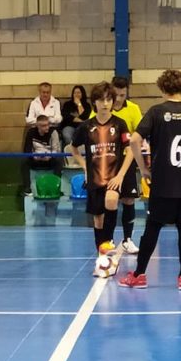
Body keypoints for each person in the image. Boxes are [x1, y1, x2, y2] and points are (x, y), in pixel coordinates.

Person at [118, 69, 181, 291]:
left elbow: (134, 141)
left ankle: (139, 275)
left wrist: (143, 169)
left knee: (153, 227)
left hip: (163, 181)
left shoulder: (156, 112)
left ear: (162, 88)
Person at [71, 82, 134, 271]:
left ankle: (109, 244)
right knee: (98, 219)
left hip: (114, 177)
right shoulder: (86, 127)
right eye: (101, 100)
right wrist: (84, 166)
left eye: (108, 100)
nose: (105, 104)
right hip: (95, 177)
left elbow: (131, 150)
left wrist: (121, 175)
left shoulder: (120, 124)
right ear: (94, 102)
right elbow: (73, 148)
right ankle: (102, 256)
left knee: (112, 199)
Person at [102, 76, 144, 255]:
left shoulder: (133, 109)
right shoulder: (103, 107)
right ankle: (108, 240)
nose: (118, 99)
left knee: (128, 199)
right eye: (116, 95)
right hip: (106, 162)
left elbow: (140, 133)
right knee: (109, 200)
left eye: (122, 95)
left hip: (127, 160)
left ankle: (127, 240)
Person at [21, 114, 62, 196]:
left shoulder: (53, 132)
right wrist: (35, 157)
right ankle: (27, 189)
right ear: (38, 126)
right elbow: (27, 150)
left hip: (49, 159)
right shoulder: (31, 132)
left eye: (48, 125)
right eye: (43, 126)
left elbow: (56, 150)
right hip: (36, 159)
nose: (47, 127)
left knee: (58, 161)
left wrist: (49, 156)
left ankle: (56, 188)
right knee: (24, 162)